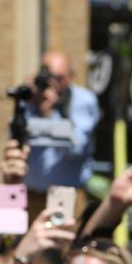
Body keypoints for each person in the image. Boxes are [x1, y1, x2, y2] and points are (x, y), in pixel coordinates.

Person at [19, 50, 100, 208]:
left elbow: (76, 149)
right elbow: (16, 140)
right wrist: (29, 102)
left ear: (71, 76)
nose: (53, 83)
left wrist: (50, 113)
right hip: (29, 194)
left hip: (65, 196)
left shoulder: (83, 101)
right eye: (49, 76)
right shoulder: (31, 100)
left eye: (59, 78)